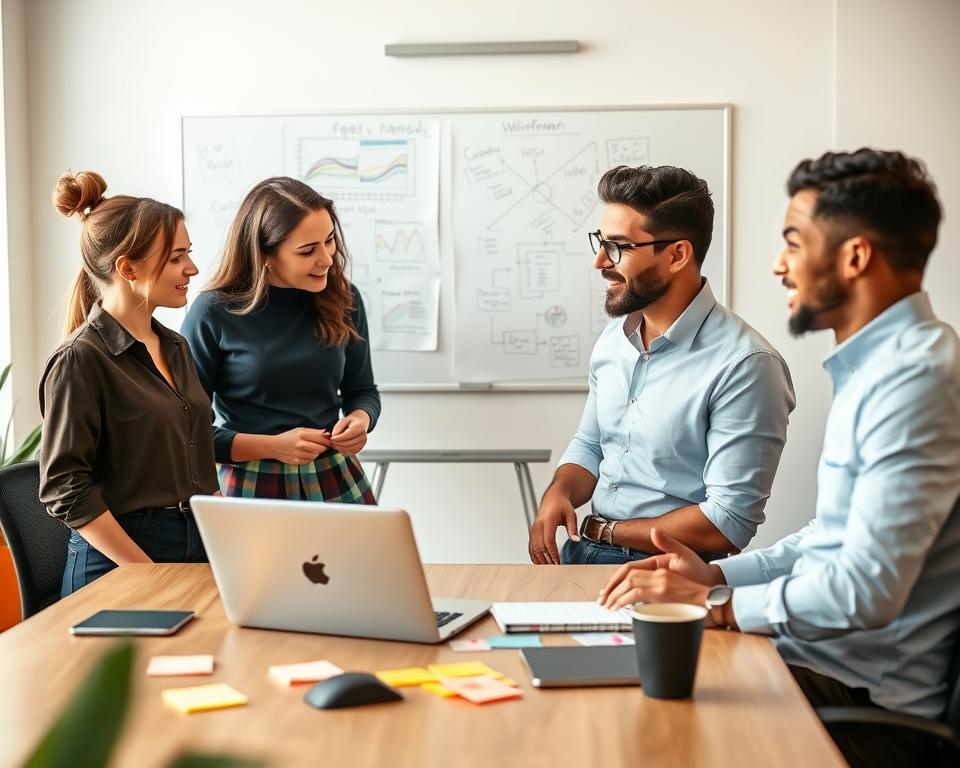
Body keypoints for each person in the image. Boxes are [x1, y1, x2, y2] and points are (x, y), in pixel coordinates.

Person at [599, 149, 960, 768]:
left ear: (854, 257)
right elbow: (831, 537)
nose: (778, 266)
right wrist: (715, 580)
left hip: (861, 702)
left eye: (794, 243)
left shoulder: (915, 381)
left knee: (629, 726)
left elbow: (865, 588)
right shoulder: (884, 368)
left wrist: (725, 609)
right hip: (820, 666)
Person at [529, 165, 795, 565]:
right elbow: (590, 445)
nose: (600, 261)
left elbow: (728, 521)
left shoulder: (746, 365)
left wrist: (605, 530)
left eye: (618, 246)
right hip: (579, 555)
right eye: (600, 242)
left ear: (676, 255)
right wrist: (559, 493)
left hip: (668, 572)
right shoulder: (613, 342)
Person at [39, 171, 220, 596]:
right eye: (177, 258)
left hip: (198, 547)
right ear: (127, 268)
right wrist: (147, 573)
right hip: (121, 563)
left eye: (187, 254)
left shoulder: (175, 346)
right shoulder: (80, 360)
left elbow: (193, 448)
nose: (191, 268)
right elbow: (65, 488)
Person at [181, 177, 380, 502]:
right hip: (249, 485)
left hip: (337, 477)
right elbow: (187, 433)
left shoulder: (345, 299)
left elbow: (363, 392)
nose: (328, 259)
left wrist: (360, 421)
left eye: (329, 240)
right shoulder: (212, 312)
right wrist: (274, 446)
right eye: (307, 251)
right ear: (265, 255)